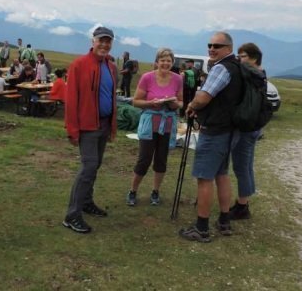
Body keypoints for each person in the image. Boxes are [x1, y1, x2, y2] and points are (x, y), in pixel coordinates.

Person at [179, 31, 243, 243]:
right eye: (210, 45)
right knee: (222, 175)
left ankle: (202, 228)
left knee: (204, 178)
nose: (212, 49)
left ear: (229, 48)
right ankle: (224, 221)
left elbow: (204, 97)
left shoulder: (221, 68)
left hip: (215, 130)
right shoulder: (238, 67)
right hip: (231, 130)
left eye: (217, 46)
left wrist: (191, 105)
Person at [63, 26, 117, 234]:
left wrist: (112, 125)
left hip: (103, 123)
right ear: (93, 41)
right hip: (86, 125)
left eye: (108, 41)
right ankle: (72, 215)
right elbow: (71, 99)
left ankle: (86, 202)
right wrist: (72, 129)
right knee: (88, 167)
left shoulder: (111, 67)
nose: (104, 44)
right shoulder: (79, 65)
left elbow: (111, 97)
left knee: (95, 166)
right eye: (101, 40)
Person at [126, 48, 183, 206]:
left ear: (172, 63)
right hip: (149, 122)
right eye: (162, 60)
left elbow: (181, 102)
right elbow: (136, 101)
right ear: (157, 62)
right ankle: (133, 191)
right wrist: (151, 103)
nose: (165, 63)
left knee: (161, 160)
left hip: (167, 124)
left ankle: (155, 191)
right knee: (144, 159)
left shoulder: (178, 79)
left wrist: (173, 104)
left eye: (168, 60)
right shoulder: (147, 77)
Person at [229, 43, 265, 220]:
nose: (239, 60)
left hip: (246, 127)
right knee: (247, 165)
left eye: (242, 56)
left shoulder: (249, 73)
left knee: (241, 166)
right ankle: (244, 201)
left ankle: (242, 206)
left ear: (253, 58)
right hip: (255, 127)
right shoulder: (261, 74)